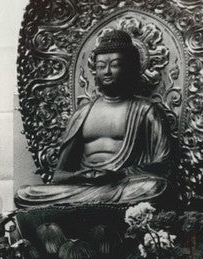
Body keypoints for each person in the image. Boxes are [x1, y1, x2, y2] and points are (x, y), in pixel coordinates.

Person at [15, 29, 172, 207]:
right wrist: (81, 176)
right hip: (83, 187)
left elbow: (164, 166)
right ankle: (95, 205)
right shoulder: (83, 113)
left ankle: (85, 207)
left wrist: (119, 174)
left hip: (121, 185)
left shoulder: (147, 110)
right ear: (94, 70)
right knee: (24, 194)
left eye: (115, 65)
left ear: (130, 68)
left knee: (156, 187)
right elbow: (59, 175)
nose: (107, 71)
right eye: (101, 66)